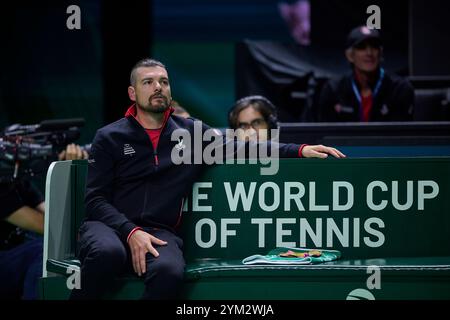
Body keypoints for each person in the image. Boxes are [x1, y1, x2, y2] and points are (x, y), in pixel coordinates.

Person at [70, 58, 345, 300]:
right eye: (148, 82)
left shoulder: (193, 134)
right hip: (109, 227)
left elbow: (243, 147)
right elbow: (95, 200)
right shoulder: (109, 136)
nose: (158, 87)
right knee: (108, 254)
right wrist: (130, 232)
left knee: (170, 272)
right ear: (132, 92)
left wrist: (298, 149)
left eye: (164, 82)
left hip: (158, 230)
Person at [0, 143, 88, 299]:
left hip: (15, 253)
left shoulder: (17, 179)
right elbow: (49, 227)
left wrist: (70, 169)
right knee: (45, 250)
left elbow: (54, 215)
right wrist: (65, 171)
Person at [318, 25, 414, 122]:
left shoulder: (399, 89)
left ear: (380, 53)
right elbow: (324, 133)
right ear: (350, 55)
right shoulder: (333, 89)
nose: (369, 53)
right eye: (361, 47)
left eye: (374, 46)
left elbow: (401, 134)